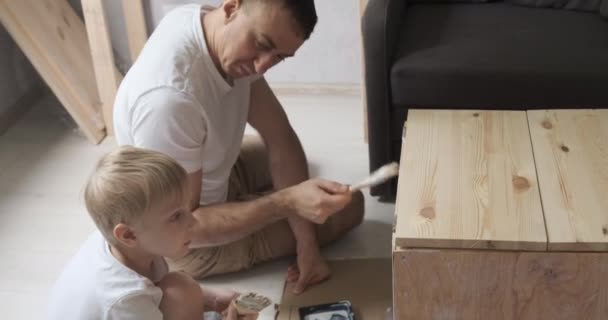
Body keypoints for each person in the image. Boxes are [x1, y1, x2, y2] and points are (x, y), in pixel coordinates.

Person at [113, 0, 364, 295]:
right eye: (261, 44)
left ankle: (258, 203)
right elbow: (186, 225)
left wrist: (306, 244)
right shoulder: (169, 100)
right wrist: (286, 202)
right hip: (181, 240)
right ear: (232, 7)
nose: (262, 65)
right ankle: (260, 206)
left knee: (314, 180)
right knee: (352, 206)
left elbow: (281, 137)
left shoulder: (207, 23)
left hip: (208, 173)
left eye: (279, 57)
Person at [48, 146, 255, 320]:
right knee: (181, 291)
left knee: (180, 288)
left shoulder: (124, 245)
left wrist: (213, 298)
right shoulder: (124, 298)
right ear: (128, 235)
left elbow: (157, 287)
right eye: (176, 216)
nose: (192, 220)